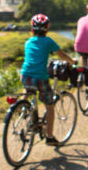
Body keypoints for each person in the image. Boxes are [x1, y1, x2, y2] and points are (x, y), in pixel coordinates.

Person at [21, 13, 77, 146]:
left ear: (32, 29)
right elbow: (61, 54)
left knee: (28, 88)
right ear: (47, 28)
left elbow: (32, 59)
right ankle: (50, 137)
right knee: (50, 107)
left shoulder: (28, 42)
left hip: (25, 75)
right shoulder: (48, 41)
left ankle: (23, 107)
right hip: (40, 77)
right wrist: (71, 61)